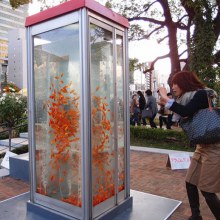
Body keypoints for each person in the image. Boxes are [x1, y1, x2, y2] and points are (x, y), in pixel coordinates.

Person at [158, 70, 220, 220]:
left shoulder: (202, 94)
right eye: (172, 84)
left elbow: (186, 112)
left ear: (186, 82)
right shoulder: (187, 98)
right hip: (201, 146)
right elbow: (181, 113)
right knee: (190, 182)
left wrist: (166, 99)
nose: (173, 87)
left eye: (175, 83)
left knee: (207, 190)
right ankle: (196, 216)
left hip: (215, 147)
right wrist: (168, 102)